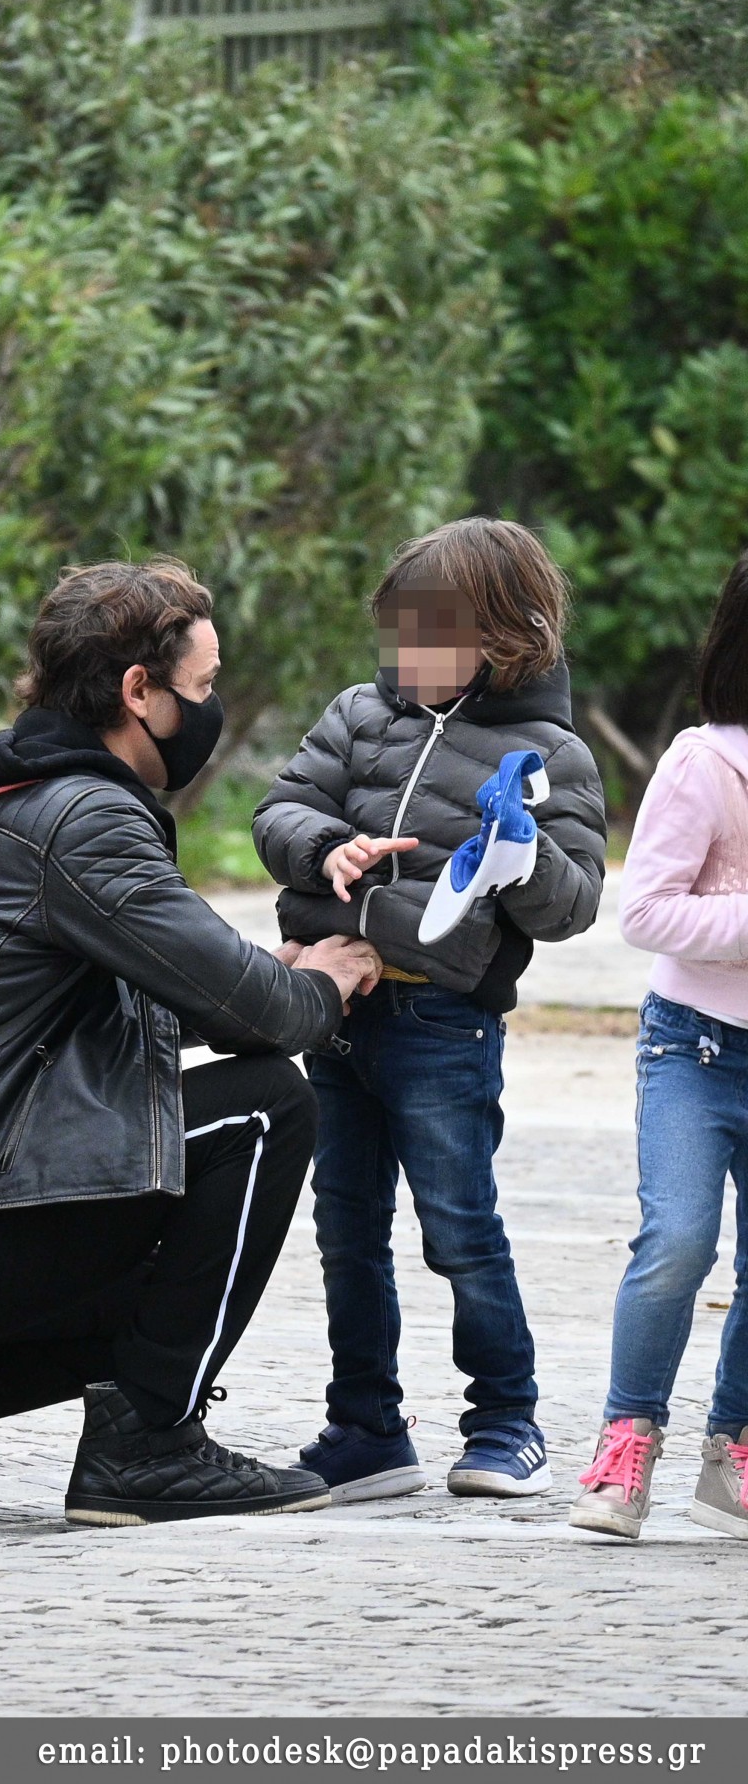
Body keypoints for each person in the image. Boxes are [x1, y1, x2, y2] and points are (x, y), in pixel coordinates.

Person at [0, 558, 382, 1525]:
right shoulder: (86, 817)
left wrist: (270, 976)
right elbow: (265, 1022)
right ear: (137, 692)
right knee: (264, 1106)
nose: (211, 708)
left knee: (182, 1168)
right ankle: (151, 1444)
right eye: (200, 686)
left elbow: (164, 996)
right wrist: (325, 980)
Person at [254, 518, 607, 1503]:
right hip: (335, 1014)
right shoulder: (358, 715)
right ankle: (363, 1423)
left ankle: (505, 1417)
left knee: (457, 1225)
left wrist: (522, 852)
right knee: (344, 1225)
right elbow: (277, 810)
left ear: (500, 636)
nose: (401, 656)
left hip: (441, 1030)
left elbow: (572, 904)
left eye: (426, 634)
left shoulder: (549, 752)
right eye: (394, 633)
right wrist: (322, 844)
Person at [570, 554, 748, 1540]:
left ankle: (733, 1452)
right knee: (676, 1239)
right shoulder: (701, 760)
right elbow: (641, 909)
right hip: (693, 1050)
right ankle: (623, 1442)